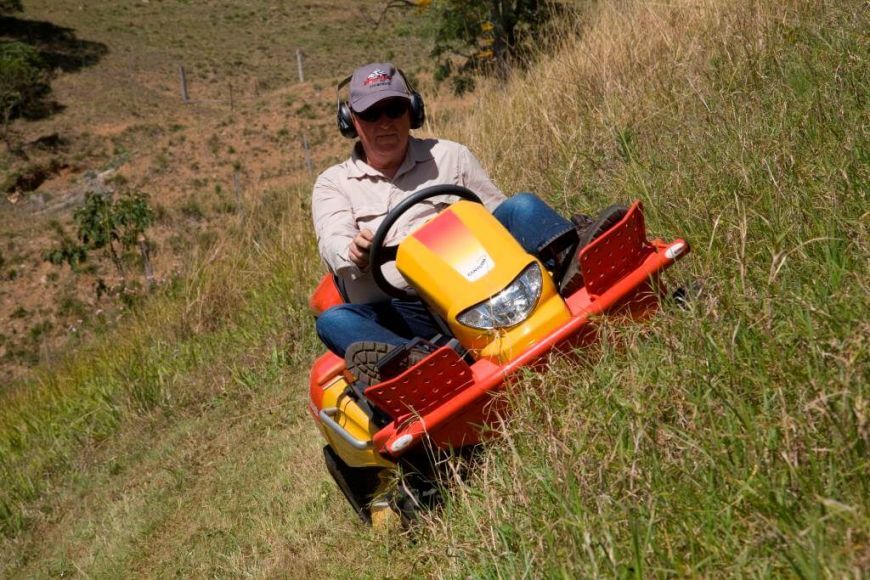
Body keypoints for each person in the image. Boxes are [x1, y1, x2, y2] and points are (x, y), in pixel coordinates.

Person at [311, 62, 616, 385]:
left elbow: (499, 218)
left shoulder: (450, 156)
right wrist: (353, 250)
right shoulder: (334, 184)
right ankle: (418, 363)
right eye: (372, 114)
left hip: (479, 282)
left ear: (412, 111)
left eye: (394, 109)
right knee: (334, 321)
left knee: (522, 205)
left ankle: (578, 270)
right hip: (406, 311)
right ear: (351, 121)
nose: (385, 122)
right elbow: (333, 240)